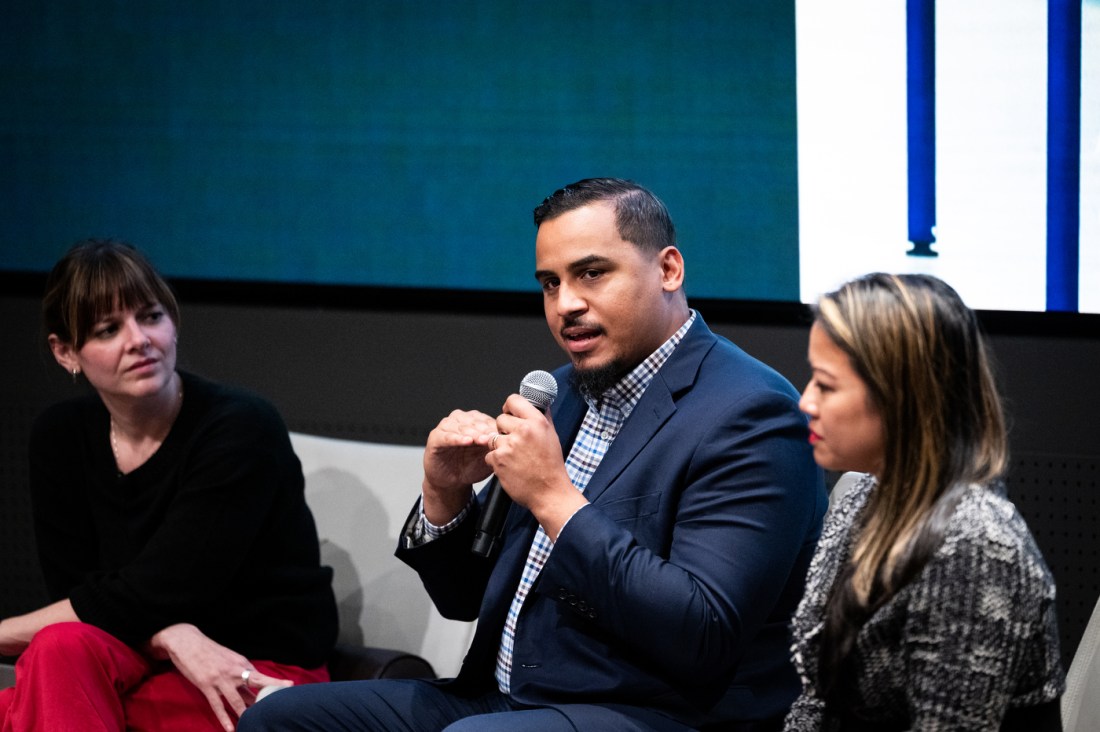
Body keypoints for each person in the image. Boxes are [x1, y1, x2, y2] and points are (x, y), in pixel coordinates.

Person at [241, 177, 826, 732]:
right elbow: (463, 599)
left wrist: (553, 498)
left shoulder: (750, 413)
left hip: (656, 712)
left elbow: (702, 632)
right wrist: (446, 495)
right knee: (281, 719)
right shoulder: (558, 393)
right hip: (505, 697)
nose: (565, 304)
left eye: (591, 273)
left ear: (668, 269)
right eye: (550, 283)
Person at [0, 239, 339, 732]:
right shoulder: (60, 436)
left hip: (246, 667)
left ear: (173, 322)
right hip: (138, 651)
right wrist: (168, 636)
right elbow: (80, 591)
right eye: (108, 330)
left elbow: (164, 588)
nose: (138, 340)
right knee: (58, 647)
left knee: (31, 704)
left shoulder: (240, 427)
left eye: (151, 317)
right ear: (66, 352)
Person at [785, 273, 1064, 731]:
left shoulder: (973, 545)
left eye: (826, 385)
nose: (805, 402)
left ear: (901, 396)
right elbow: (815, 698)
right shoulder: (865, 498)